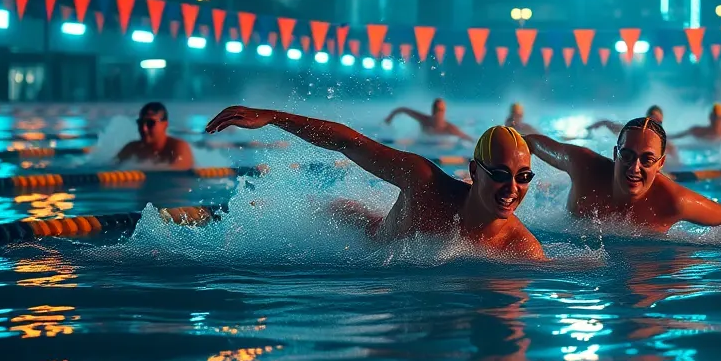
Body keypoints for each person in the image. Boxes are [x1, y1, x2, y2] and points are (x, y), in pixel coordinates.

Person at [205, 107, 544, 259]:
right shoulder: (425, 181)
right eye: (500, 175)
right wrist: (271, 117)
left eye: (523, 177)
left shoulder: (521, 248)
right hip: (359, 231)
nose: (512, 188)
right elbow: (351, 143)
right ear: (474, 172)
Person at [525, 117, 721, 241]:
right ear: (615, 153)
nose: (634, 167)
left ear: (661, 164)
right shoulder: (583, 164)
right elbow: (532, 142)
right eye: (627, 156)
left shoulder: (673, 201)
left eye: (646, 160)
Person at [117, 102, 194, 170]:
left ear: (165, 125)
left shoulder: (178, 147)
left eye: (150, 123)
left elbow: (178, 173)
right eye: (140, 123)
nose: (144, 129)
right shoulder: (132, 148)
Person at [382, 98, 474, 142]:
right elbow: (403, 109)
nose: (437, 112)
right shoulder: (424, 120)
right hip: (423, 145)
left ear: (444, 112)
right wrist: (390, 118)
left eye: (439, 110)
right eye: (435, 109)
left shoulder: (449, 128)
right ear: (432, 109)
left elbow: (468, 139)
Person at [587, 105, 665, 134]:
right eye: (653, 121)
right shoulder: (632, 130)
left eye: (659, 123)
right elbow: (605, 122)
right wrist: (588, 130)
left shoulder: (663, 140)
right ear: (647, 119)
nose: (655, 125)